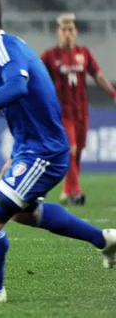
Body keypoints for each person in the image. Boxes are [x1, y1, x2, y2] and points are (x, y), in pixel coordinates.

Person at [0, 0, 116, 303]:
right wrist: (16, 154)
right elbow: (25, 107)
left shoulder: (2, 48)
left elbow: (18, 87)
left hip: (44, 151)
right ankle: (104, 239)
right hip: (34, 147)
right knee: (22, 212)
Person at [41, 13, 116, 206]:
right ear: (58, 33)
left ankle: (67, 191)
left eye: (70, 30)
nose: (67, 34)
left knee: (79, 150)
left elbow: (97, 75)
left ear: (76, 32)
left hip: (82, 111)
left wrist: (113, 93)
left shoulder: (84, 53)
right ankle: (75, 191)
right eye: (64, 30)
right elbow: (38, 79)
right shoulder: (49, 56)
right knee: (70, 149)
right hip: (62, 112)